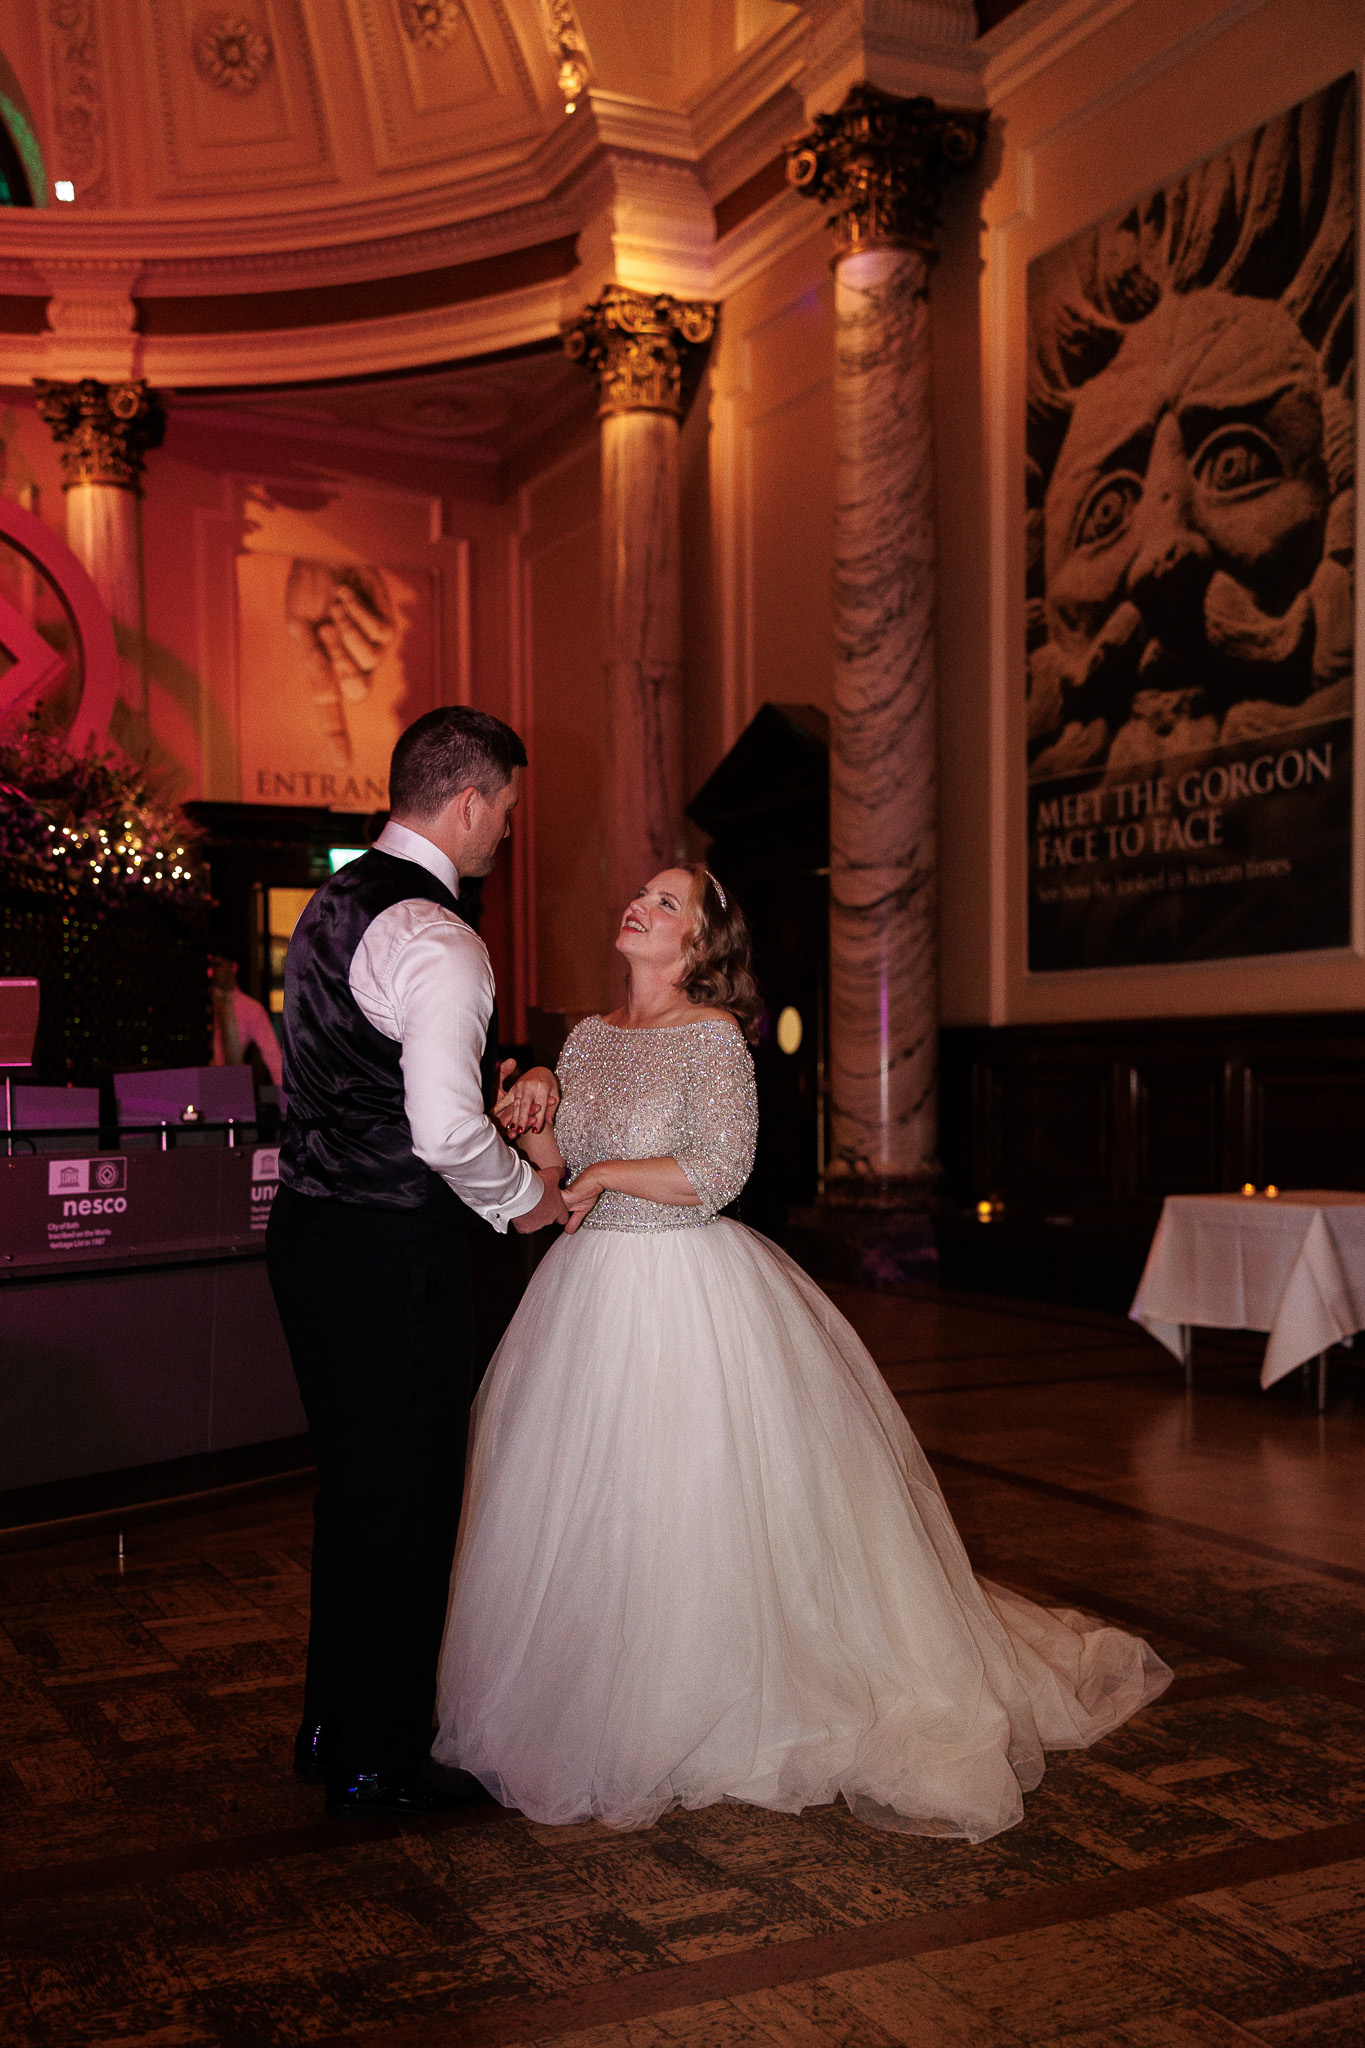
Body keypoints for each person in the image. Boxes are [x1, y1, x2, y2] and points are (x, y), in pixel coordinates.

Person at [433, 866, 1171, 1839]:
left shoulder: (714, 1039)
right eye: (642, 894)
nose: (641, 907)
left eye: (668, 904)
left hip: (688, 1292)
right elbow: (558, 1176)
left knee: (696, 1506)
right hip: (586, 1295)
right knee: (590, 1508)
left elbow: (718, 1170)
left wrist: (607, 1167)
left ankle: (706, 1702)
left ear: (697, 947)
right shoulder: (587, 1040)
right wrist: (532, 1107)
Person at [267, 707, 567, 1820]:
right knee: (404, 1501)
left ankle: (329, 1723)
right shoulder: (442, 938)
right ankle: (379, 1757)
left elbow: (364, 1082)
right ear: (472, 801)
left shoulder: (334, 902)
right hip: (389, 1254)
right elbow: (443, 1133)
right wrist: (525, 1199)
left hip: (310, 1235)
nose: (506, 836)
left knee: (353, 1491)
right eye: (509, 814)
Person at [210, 955, 283, 1088]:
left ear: (233, 967)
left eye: (218, 965)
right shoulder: (204, 1003)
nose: (212, 971)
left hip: (229, 1086)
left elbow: (273, 1057)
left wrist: (285, 1100)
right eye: (211, 966)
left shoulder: (251, 1009)